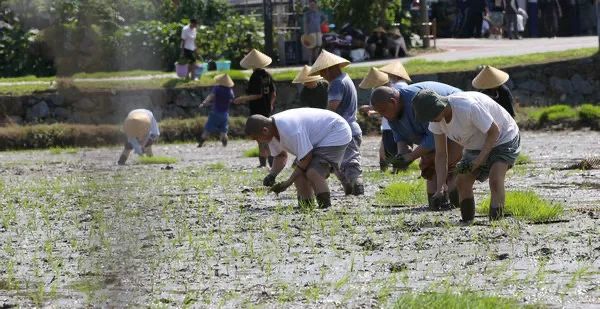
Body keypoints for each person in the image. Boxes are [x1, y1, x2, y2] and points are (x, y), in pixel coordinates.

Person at [412, 89, 520, 222]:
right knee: (462, 180)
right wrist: (440, 187)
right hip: (475, 144)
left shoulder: (467, 107)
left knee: (495, 179)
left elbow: (494, 131)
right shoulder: (435, 121)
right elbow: (441, 154)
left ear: (440, 105)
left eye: (431, 115)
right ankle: (467, 222)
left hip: (503, 137)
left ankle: (496, 222)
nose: (431, 120)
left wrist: (478, 161)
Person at [370, 81, 463, 210]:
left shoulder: (418, 101)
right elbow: (401, 137)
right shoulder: (391, 114)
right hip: (431, 131)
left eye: (383, 111)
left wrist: (411, 156)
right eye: (380, 113)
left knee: (451, 165)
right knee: (429, 169)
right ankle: (436, 204)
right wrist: (402, 155)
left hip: (454, 118)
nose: (383, 115)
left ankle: (457, 205)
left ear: (393, 102)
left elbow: (432, 139)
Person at [245, 108, 352, 209]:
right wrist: (272, 175)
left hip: (336, 130)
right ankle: (306, 205)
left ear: (264, 130)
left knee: (313, 171)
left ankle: (325, 206)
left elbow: (306, 157)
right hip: (316, 139)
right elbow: (280, 156)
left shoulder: (290, 130)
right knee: (299, 173)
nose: (258, 142)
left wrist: (288, 183)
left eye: (256, 138)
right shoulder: (270, 130)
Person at [308, 50, 364, 195]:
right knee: (338, 162)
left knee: (348, 161)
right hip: (352, 127)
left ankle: (357, 185)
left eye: (322, 72)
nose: (322, 76)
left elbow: (332, 108)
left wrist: (320, 123)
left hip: (343, 129)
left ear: (328, 69)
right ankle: (349, 187)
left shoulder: (336, 84)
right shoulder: (346, 78)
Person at [234, 49, 277, 168]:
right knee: (268, 135)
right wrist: (271, 105)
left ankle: (264, 163)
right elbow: (274, 94)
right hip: (267, 109)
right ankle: (271, 162)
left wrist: (243, 98)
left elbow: (258, 94)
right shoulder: (267, 75)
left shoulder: (255, 76)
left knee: (260, 137)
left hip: (257, 110)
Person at [197, 74, 235, 147]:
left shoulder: (217, 88)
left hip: (215, 113)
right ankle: (225, 145)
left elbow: (210, 96)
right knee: (223, 132)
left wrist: (204, 103)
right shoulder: (230, 91)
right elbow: (231, 100)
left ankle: (200, 144)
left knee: (207, 129)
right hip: (225, 114)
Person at [303, 0, 327, 64]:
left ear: (316, 5)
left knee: (318, 47)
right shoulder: (307, 14)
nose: (312, 6)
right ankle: (310, 62)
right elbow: (305, 23)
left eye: (313, 5)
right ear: (309, 5)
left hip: (318, 32)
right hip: (311, 32)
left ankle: (316, 62)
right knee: (311, 48)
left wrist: (321, 24)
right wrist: (306, 33)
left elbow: (325, 18)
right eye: (311, 5)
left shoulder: (319, 13)